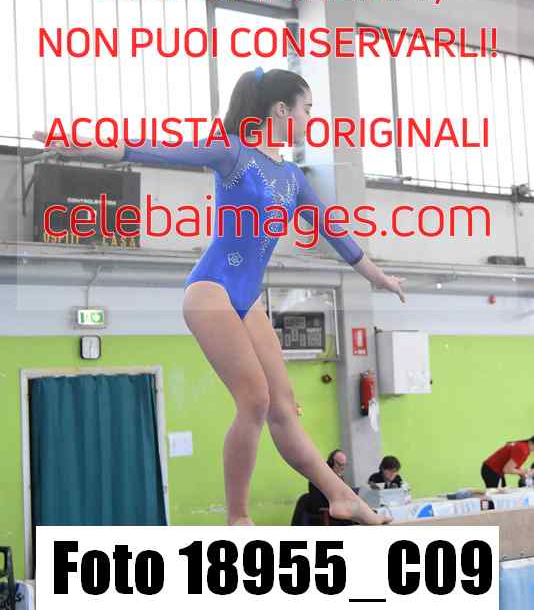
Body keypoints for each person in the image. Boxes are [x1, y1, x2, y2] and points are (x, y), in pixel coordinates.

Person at [33, 67, 406, 526]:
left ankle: (343, 497)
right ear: (281, 109)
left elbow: (335, 232)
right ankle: (238, 517)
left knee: (283, 408)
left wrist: (378, 277)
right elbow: (155, 149)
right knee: (255, 400)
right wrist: (82, 143)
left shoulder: (292, 178)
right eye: (307, 109)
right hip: (210, 290)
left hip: (247, 301)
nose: (312, 118)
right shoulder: (233, 152)